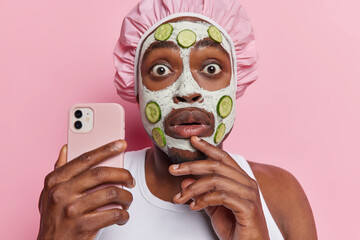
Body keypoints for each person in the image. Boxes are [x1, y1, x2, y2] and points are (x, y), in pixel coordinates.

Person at [37, 0, 317, 239]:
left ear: (236, 83)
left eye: (211, 67)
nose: (187, 91)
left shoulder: (279, 193)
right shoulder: (78, 197)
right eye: (161, 69)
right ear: (137, 91)